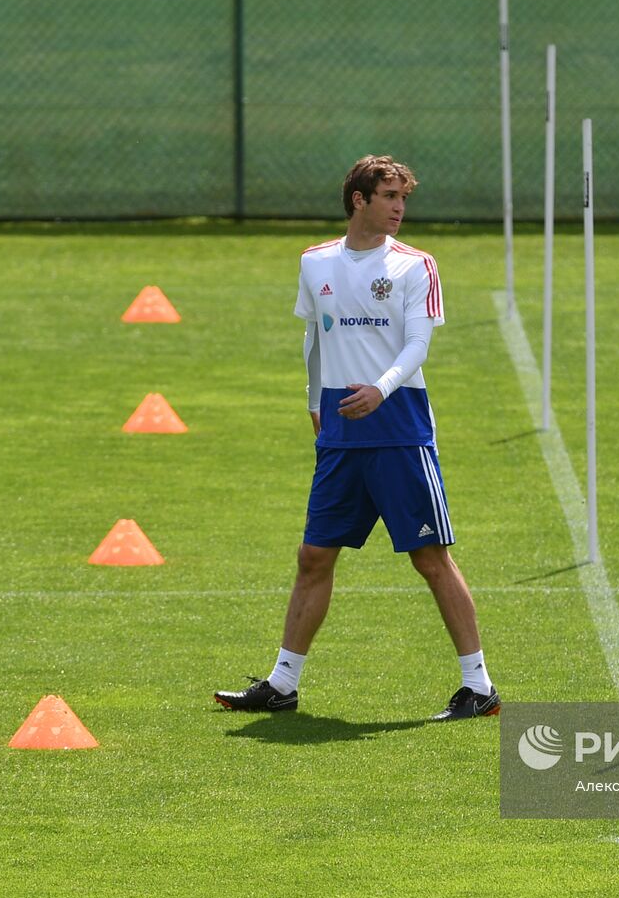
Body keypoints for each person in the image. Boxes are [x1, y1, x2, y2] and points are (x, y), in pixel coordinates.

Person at [214, 155, 500, 721]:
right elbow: (313, 339)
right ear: (358, 200)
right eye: (389, 196)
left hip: (399, 429)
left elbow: (418, 345)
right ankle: (282, 683)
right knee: (314, 555)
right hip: (341, 434)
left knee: (430, 558)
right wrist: (313, 402)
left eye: (403, 199)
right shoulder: (314, 261)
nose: (399, 208)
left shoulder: (415, 266)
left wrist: (381, 389)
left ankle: (479, 686)